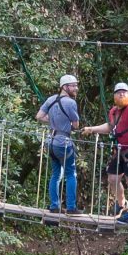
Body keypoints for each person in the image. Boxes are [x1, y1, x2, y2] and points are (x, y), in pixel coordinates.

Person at [80, 81, 128, 222]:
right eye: (118, 92)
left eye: (124, 92)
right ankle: (123, 204)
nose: (121, 94)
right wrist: (92, 129)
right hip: (119, 150)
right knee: (112, 178)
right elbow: (110, 127)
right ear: (114, 95)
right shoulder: (113, 111)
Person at [35, 73, 84, 214]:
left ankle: (54, 206)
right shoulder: (70, 103)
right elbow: (76, 125)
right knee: (71, 174)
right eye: (73, 86)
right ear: (65, 87)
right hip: (64, 143)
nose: (76, 88)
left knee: (56, 174)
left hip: (51, 142)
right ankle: (70, 207)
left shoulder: (50, 100)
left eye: (76, 85)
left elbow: (39, 116)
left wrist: (52, 121)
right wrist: (65, 122)